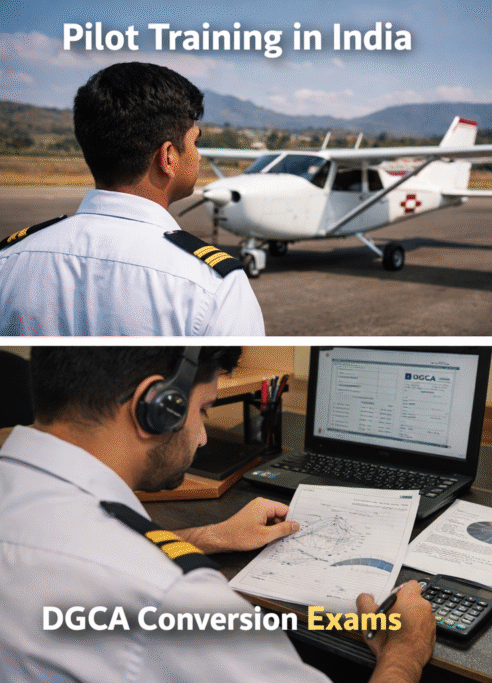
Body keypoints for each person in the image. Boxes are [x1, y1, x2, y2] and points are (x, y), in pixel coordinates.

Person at [0, 348, 435, 682]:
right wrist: (405, 652)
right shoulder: (172, 596)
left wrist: (210, 536)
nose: (205, 437)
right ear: (158, 406)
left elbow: (74, 548)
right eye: (204, 409)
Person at [0, 62, 265, 336]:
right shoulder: (215, 284)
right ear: (168, 157)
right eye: (195, 142)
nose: (197, 155)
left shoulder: (8, 258)